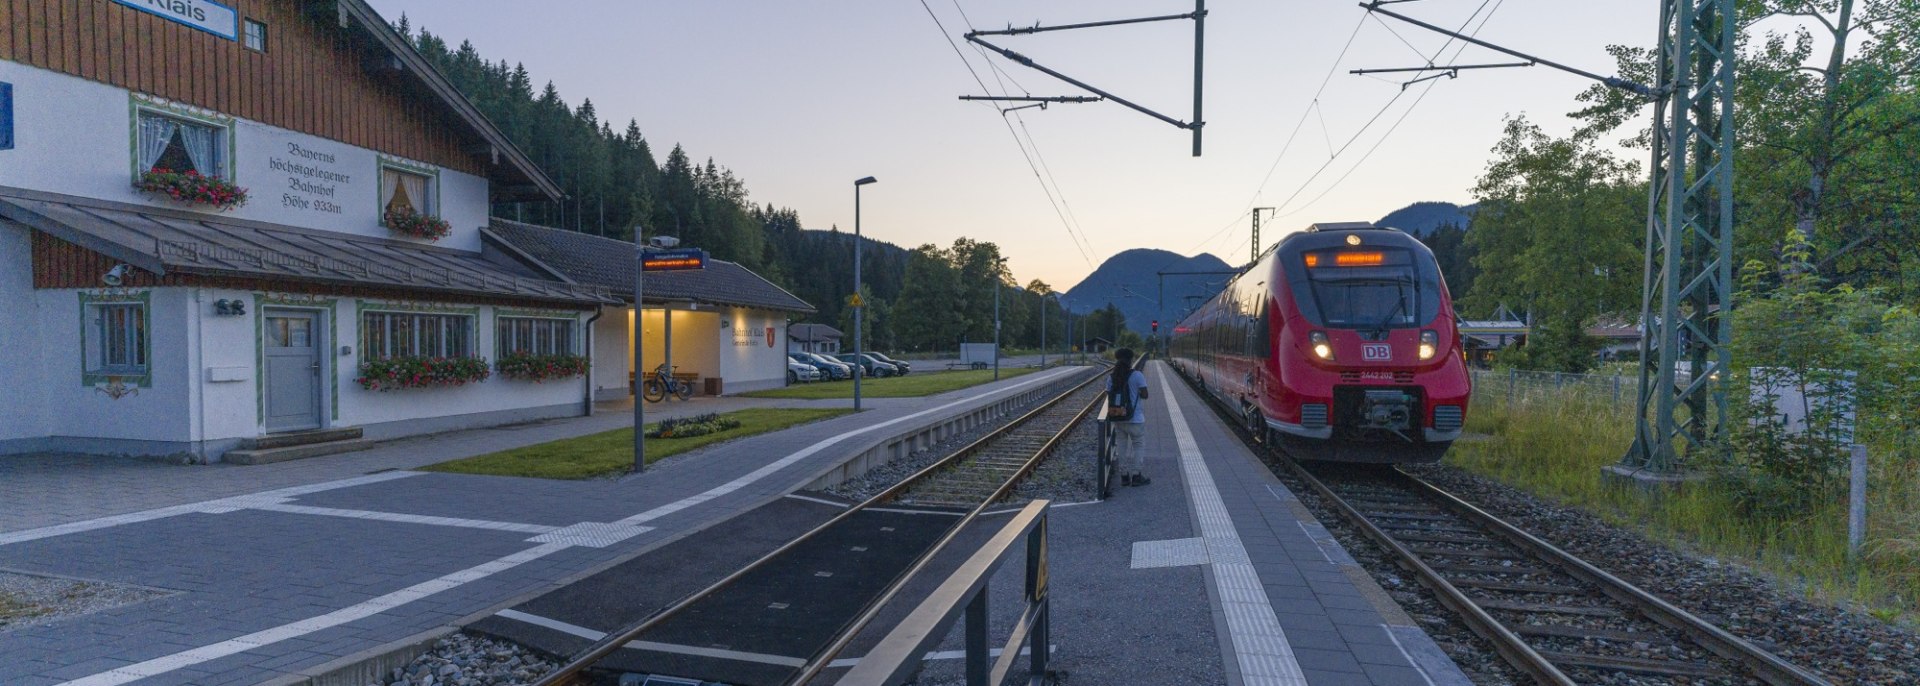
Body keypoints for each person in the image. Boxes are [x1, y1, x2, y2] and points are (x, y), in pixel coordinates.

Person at [1108, 348, 1151, 486]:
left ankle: (1124, 476)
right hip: (1135, 418)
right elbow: (1145, 395)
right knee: (1138, 446)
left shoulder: (1111, 377)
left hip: (1119, 418)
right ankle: (1137, 476)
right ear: (1131, 360)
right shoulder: (1137, 375)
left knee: (1121, 446)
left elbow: (1109, 395)